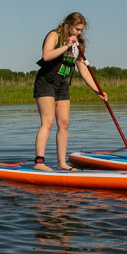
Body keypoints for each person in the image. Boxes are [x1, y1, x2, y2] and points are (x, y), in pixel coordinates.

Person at [33, 12, 107, 171]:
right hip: (46, 81)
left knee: (64, 124)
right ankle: (39, 162)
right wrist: (66, 45)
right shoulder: (55, 35)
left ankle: (61, 163)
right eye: (77, 29)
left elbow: (84, 71)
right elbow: (46, 56)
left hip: (62, 83)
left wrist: (97, 91)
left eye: (81, 30)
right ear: (69, 25)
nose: (79, 33)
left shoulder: (78, 44)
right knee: (48, 122)